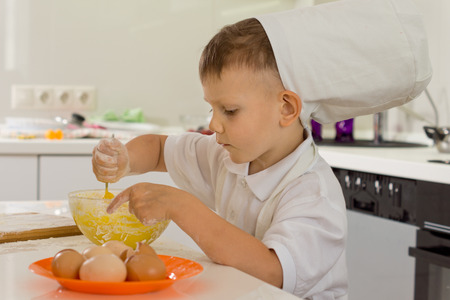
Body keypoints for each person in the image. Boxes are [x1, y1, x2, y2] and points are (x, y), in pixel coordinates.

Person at [92, 0, 431, 298]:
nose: (213, 124)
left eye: (229, 110)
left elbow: (273, 273)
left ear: (286, 108)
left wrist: (182, 207)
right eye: (212, 108)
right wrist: (124, 158)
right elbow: (159, 149)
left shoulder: (311, 193)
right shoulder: (226, 155)